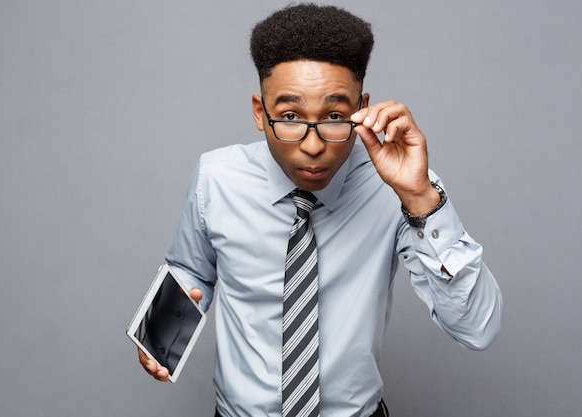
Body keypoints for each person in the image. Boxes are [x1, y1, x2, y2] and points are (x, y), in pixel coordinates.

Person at [138, 3, 502, 416]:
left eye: (334, 115)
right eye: (290, 116)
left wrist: (420, 198)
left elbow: (477, 329)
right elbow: (191, 269)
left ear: (362, 107)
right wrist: (158, 336)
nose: (312, 145)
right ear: (261, 112)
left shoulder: (398, 187)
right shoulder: (216, 178)